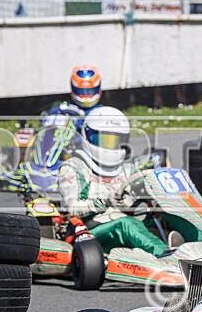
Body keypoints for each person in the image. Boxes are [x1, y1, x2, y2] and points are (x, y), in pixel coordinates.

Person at [57, 106, 170, 257]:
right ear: (87, 135)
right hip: (92, 233)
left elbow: (143, 195)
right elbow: (72, 208)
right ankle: (167, 256)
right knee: (126, 224)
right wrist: (105, 201)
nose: (109, 145)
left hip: (129, 222)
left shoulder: (128, 169)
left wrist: (156, 195)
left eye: (114, 141)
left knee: (172, 215)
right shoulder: (73, 168)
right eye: (104, 139)